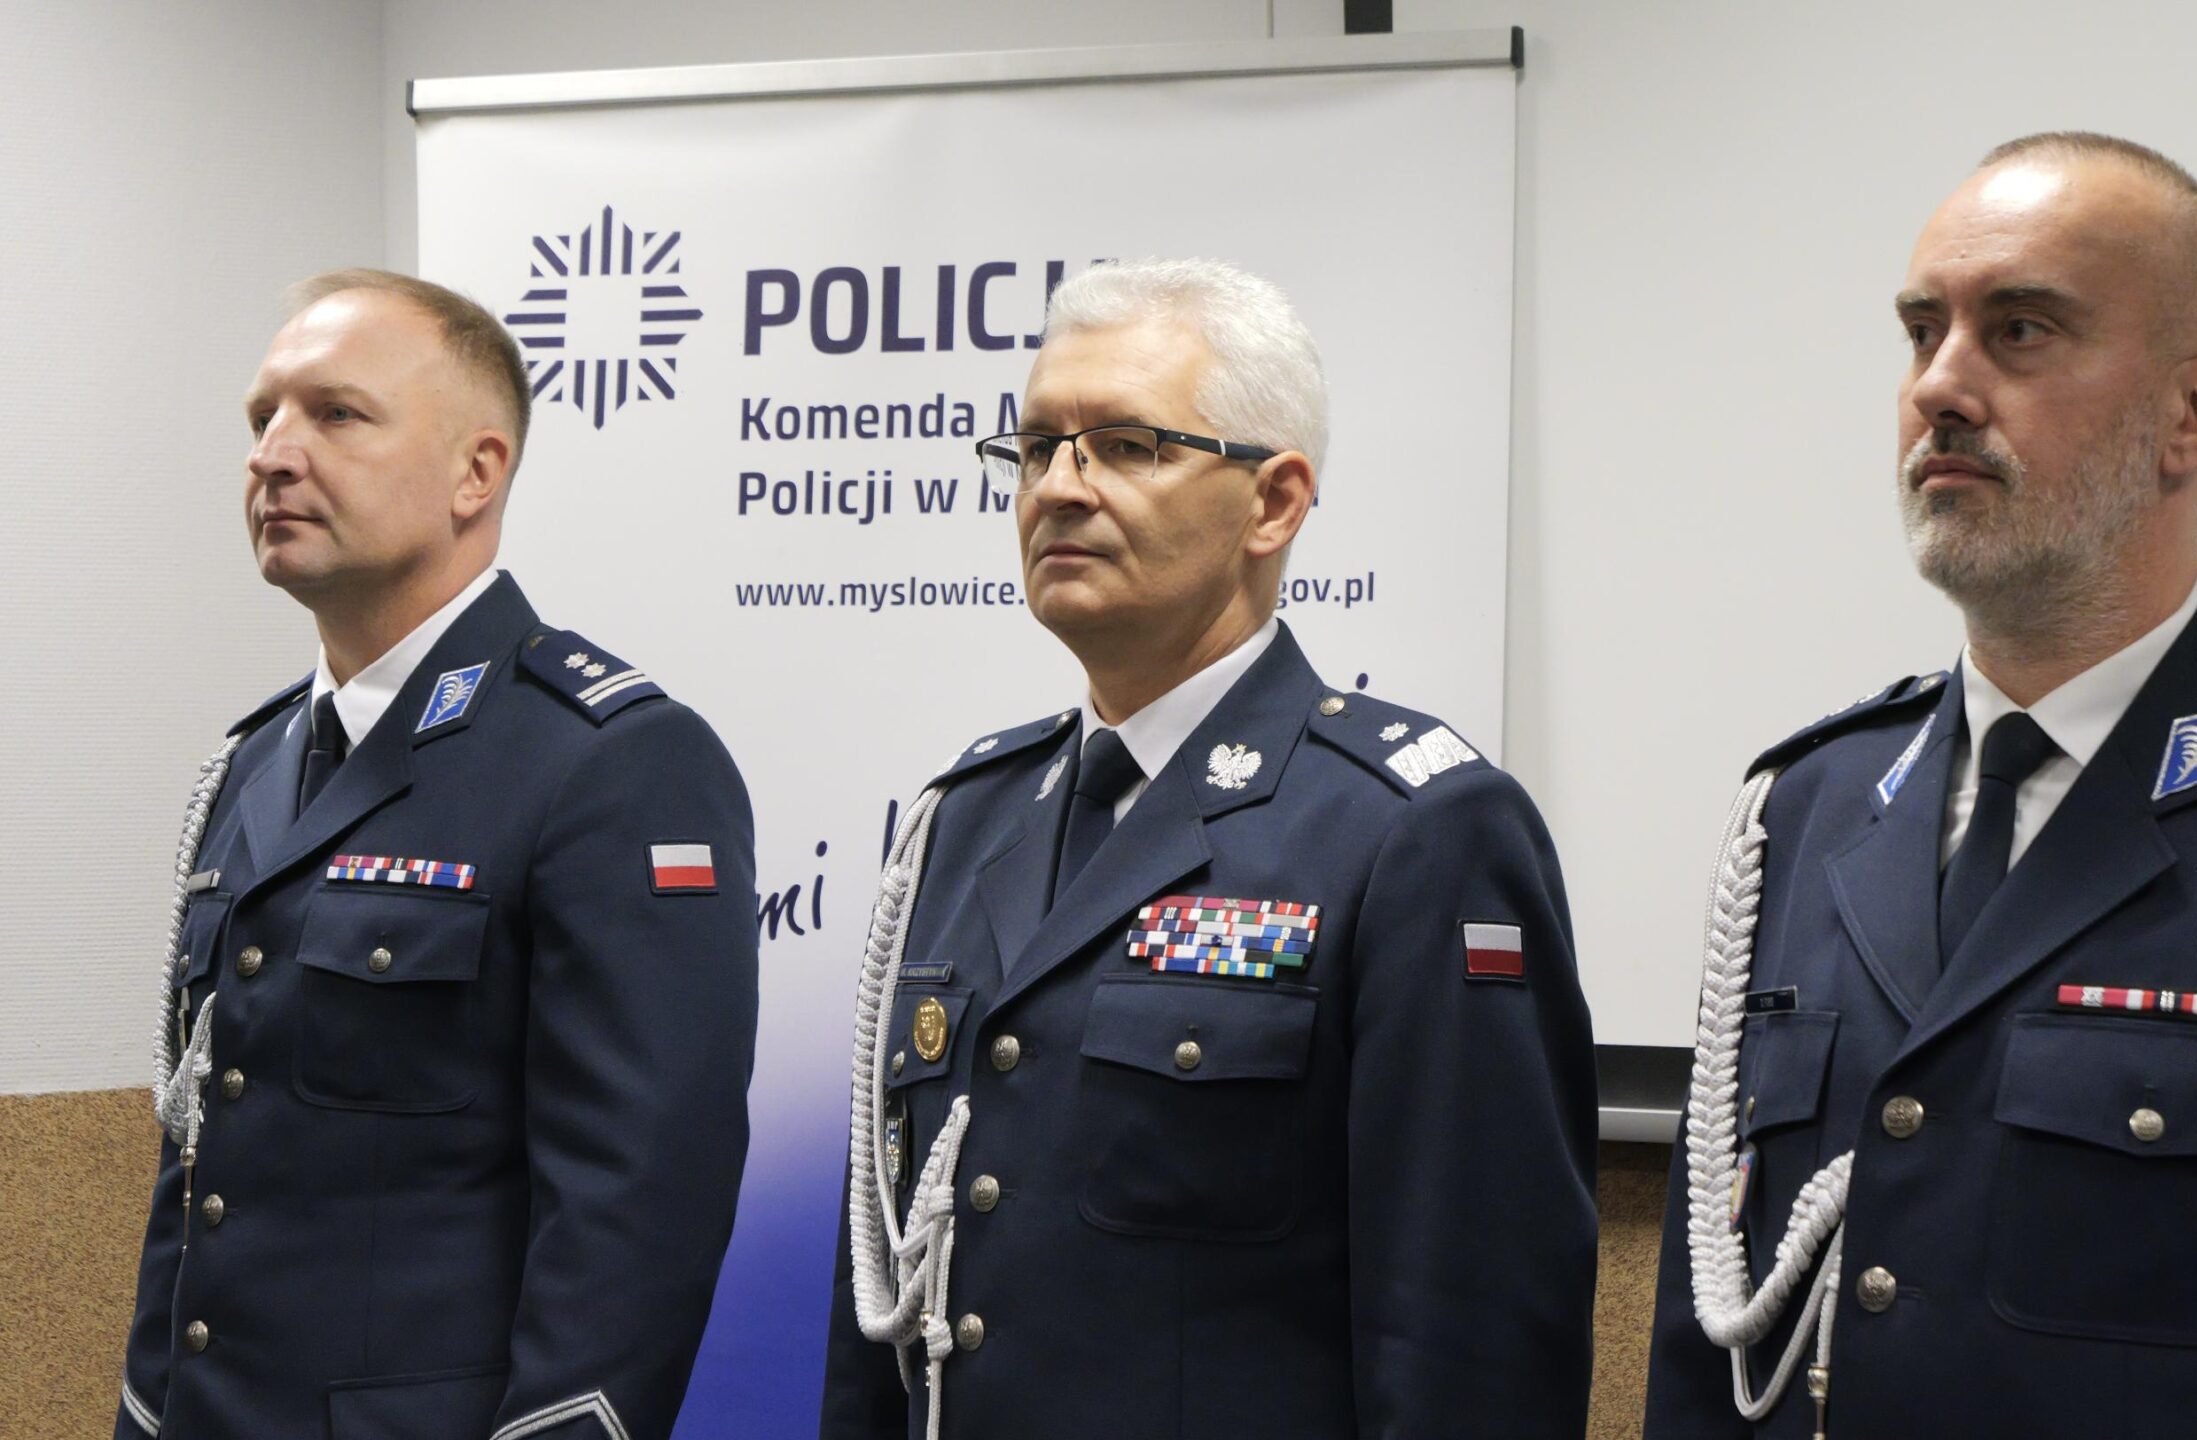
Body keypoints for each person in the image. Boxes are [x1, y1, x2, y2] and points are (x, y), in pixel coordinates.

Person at [1644, 133, 2197, 1438]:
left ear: (2194, 412)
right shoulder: (1806, 807)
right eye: (1921, 332)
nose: (1940, 386)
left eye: (2019, 331)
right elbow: (1713, 1332)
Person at [821, 258, 1597, 1440]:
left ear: (1273, 504)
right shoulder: (965, 819)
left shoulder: (1413, 831)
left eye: (1125, 446)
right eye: (1036, 449)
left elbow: (1472, 1343)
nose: (1058, 488)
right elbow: (884, 1287)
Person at [115, 270, 758, 1440]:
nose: (273, 456)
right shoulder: (253, 765)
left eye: (336, 414)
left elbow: (637, 1209)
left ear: (478, 472)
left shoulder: (609, 761)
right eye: (263, 418)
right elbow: (200, 1156)